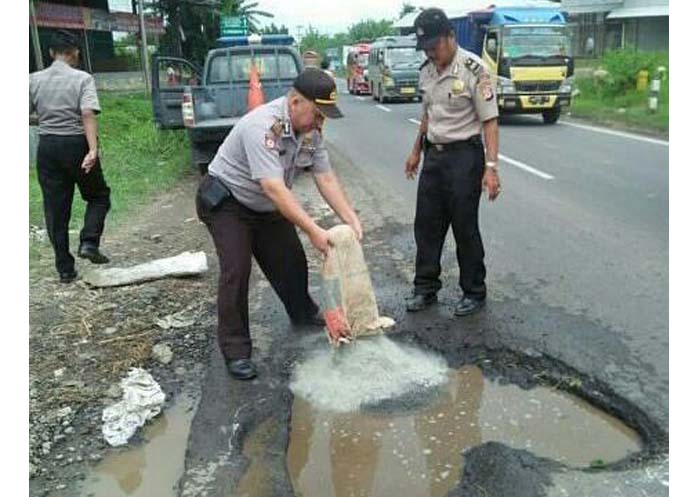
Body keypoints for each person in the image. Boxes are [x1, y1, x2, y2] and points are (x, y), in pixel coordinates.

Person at [196, 68, 362, 380]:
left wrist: (351, 218)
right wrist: (314, 229)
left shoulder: (311, 133)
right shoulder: (263, 126)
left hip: (265, 205)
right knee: (237, 269)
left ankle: (302, 312)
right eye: (317, 113)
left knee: (291, 261)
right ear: (296, 101)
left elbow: (324, 177)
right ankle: (236, 351)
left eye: (324, 116)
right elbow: (274, 187)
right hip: (228, 203)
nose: (319, 122)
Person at [404, 8, 501, 316]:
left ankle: (474, 291)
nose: (432, 53)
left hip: (465, 158)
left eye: (436, 46)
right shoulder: (426, 70)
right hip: (434, 156)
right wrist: (416, 150)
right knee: (426, 225)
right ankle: (425, 288)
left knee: (464, 226)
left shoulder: (474, 69)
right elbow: (428, 114)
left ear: (450, 36)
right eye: (427, 48)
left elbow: (490, 121)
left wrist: (491, 168)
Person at [30, 30, 111, 283]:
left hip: (48, 147)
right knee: (98, 196)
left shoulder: (33, 79)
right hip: (76, 144)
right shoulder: (82, 79)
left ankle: (65, 270)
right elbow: (87, 114)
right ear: (75, 52)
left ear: (51, 53)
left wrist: (44, 118)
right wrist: (92, 150)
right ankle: (88, 241)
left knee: (55, 210)